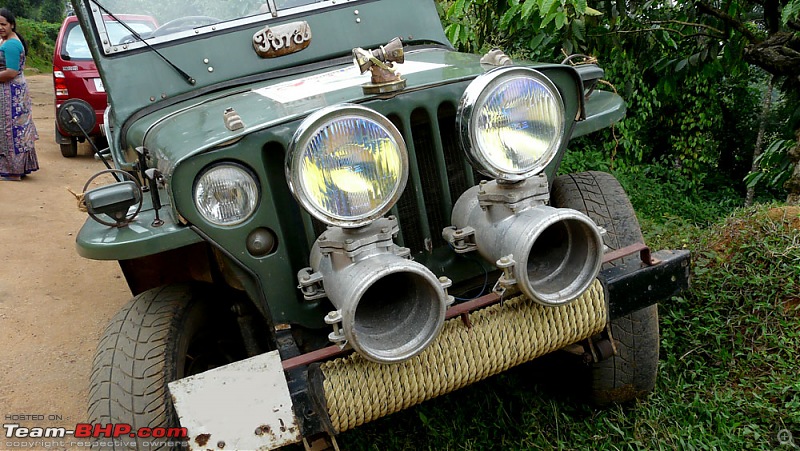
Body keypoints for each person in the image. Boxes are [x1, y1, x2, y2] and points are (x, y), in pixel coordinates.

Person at [0, 8, 38, 181]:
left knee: (10, 129)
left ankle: (13, 172)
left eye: (3, 24)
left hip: (11, 92)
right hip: (12, 90)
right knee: (14, 129)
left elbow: (11, 71)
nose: (0, 27)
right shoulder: (7, 41)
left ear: (12, 25)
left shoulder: (11, 44)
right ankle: (14, 168)